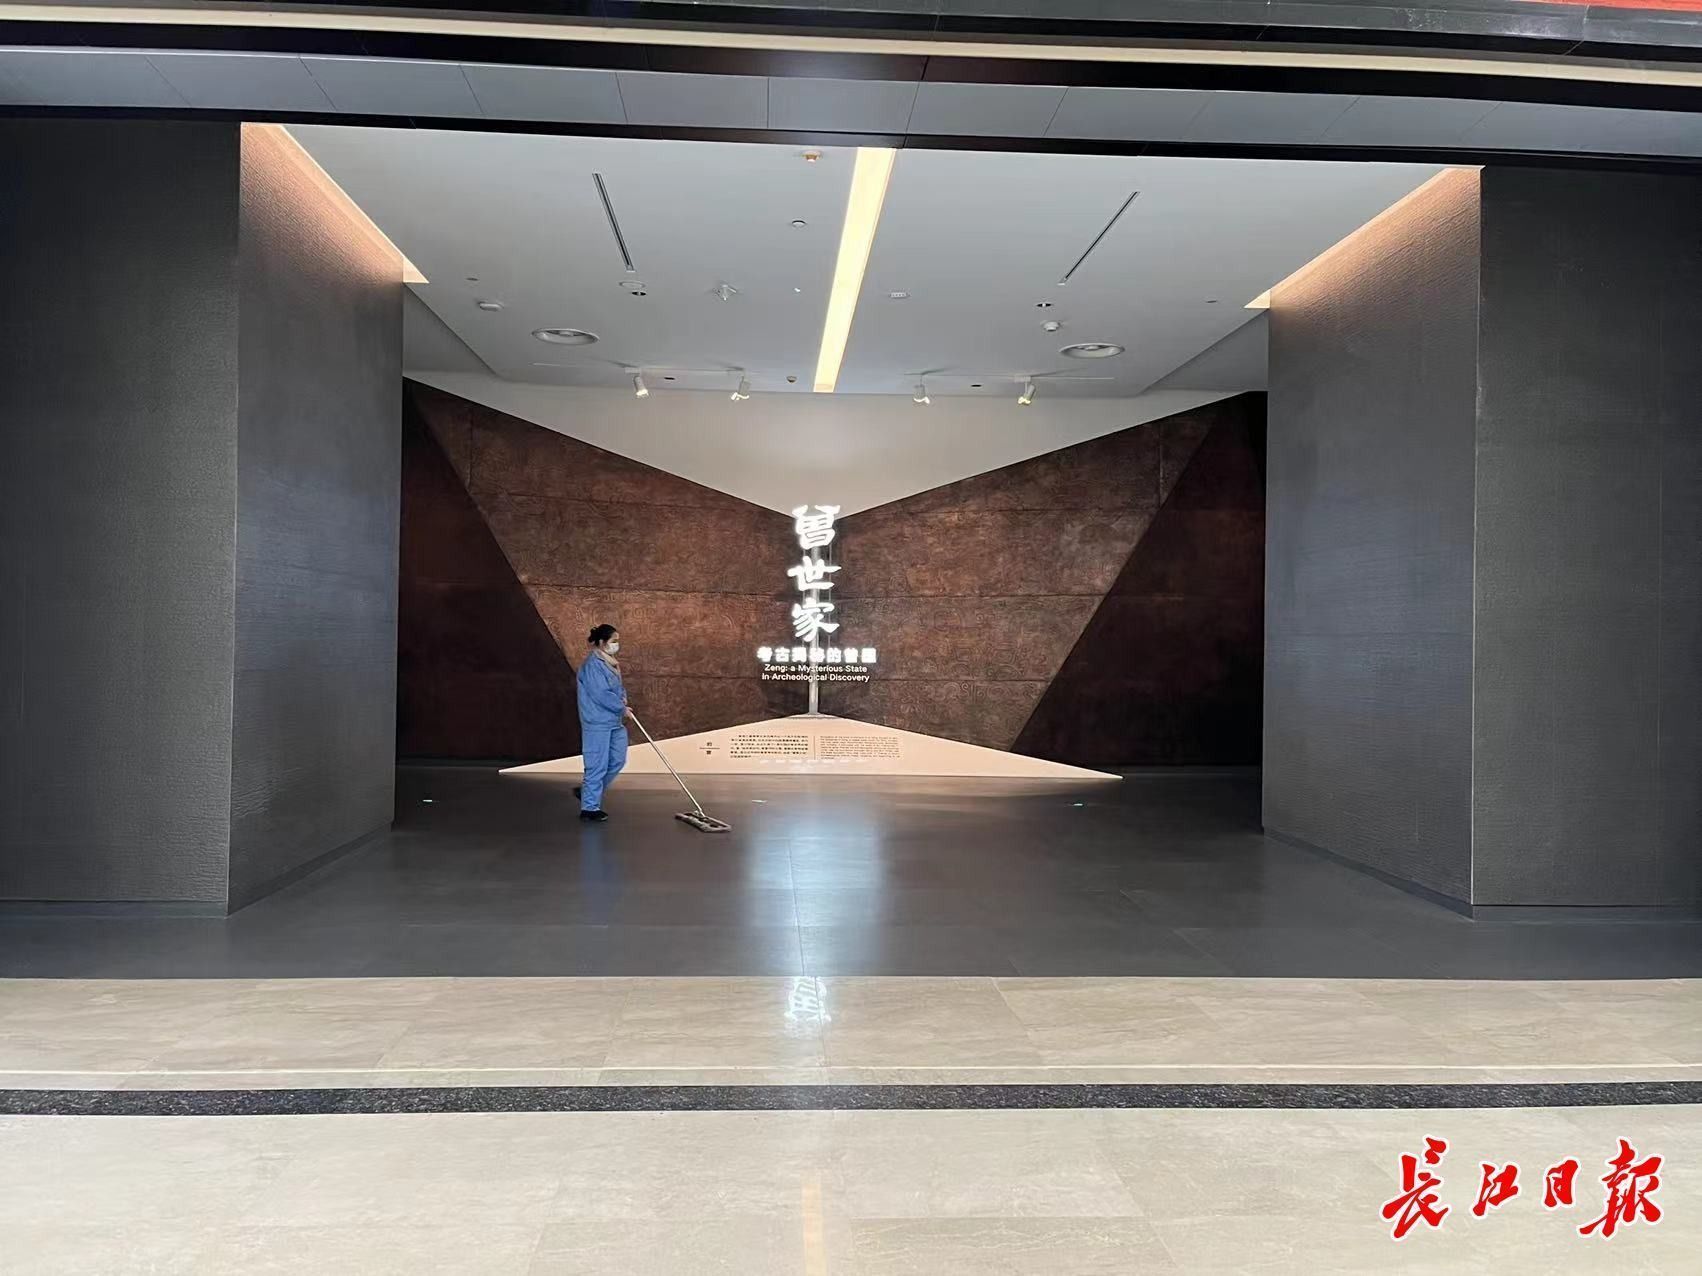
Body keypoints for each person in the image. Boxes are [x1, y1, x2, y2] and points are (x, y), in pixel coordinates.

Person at [576, 624, 631, 822]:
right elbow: (601, 694)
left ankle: (586, 791)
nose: (617, 644)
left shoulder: (611, 663)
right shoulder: (593, 665)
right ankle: (589, 808)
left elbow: (617, 688)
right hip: (597, 721)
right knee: (596, 765)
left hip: (614, 721)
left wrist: (623, 700)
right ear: (601, 642)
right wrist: (621, 708)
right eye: (613, 641)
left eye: (617, 640)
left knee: (618, 760)